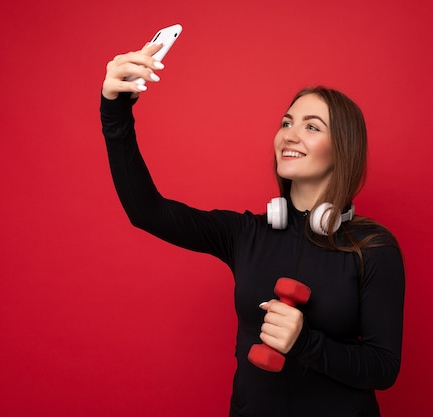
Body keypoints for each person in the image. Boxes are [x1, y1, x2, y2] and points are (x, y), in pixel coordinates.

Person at [100, 42, 405, 417]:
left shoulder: (372, 248)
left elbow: (383, 367)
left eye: (311, 127)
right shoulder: (245, 233)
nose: (290, 135)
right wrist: (114, 112)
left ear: (344, 148)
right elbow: (146, 211)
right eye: (287, 123)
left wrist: (306, 342)